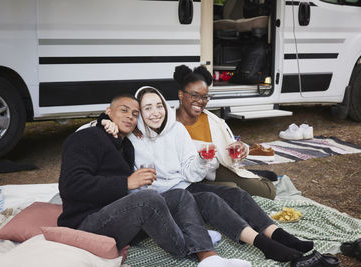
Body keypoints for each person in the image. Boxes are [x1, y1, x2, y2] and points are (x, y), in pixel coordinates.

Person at [124, 86, 314, 263]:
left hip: (185, 186)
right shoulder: (132, 140)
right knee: (210, 200)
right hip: (163, 199)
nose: (155, 112)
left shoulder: (176, 130)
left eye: (159, 106)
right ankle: (265, 245)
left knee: (235, 193)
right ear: (138, 113)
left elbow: (190, 173)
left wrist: (201, 160)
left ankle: (278, 234)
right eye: (147, 108)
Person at [57, 94, 250, 267]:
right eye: (123, 110)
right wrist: (127, 183)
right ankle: (188, 243)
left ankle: (208, 258)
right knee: (148, 199)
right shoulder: (86, 137)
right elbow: (71, 186)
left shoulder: (125, 146)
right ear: (108, 112)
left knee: (179, 195)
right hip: (87, 222)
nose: (130, 116)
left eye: (134, 114)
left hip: (118, 216)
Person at [173, 64, 277, 199]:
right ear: (181, 95)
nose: (200, 101)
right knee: (232, 191)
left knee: (268, 191)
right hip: (185, 179)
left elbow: (230, 151)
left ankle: (250, 175)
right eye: (195, 95)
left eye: (205, 97)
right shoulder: (167, 122)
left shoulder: (213, 122)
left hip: (212, 171)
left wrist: (241, 147)